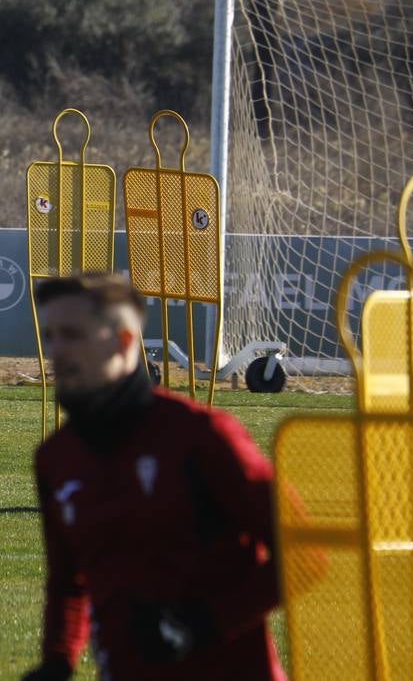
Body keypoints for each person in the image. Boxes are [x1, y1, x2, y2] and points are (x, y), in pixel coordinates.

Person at [25, 273, 284, 681]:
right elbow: (68, 582)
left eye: (72, 335)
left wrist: (203, 624)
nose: (56, 351)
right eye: (50, 335)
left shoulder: (202, 437)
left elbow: (302, 552)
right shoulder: (55, 458)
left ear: (124, 341)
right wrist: (57, 661)